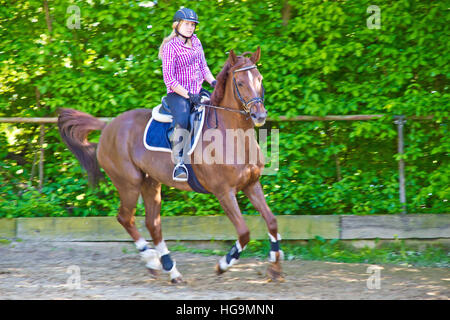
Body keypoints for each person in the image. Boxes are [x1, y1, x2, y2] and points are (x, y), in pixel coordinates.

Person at [158, 8, 216, 182]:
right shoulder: (170, 47)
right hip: (178, 94)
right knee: (183, 120)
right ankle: (179, 163)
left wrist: (214, 82)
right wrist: (189, 95)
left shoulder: (197, 42)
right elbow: (169, 80)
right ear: (177, 25)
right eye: (187, 24)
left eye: (193, 25)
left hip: (197, 91)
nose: (190, 28)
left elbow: (204, 67)